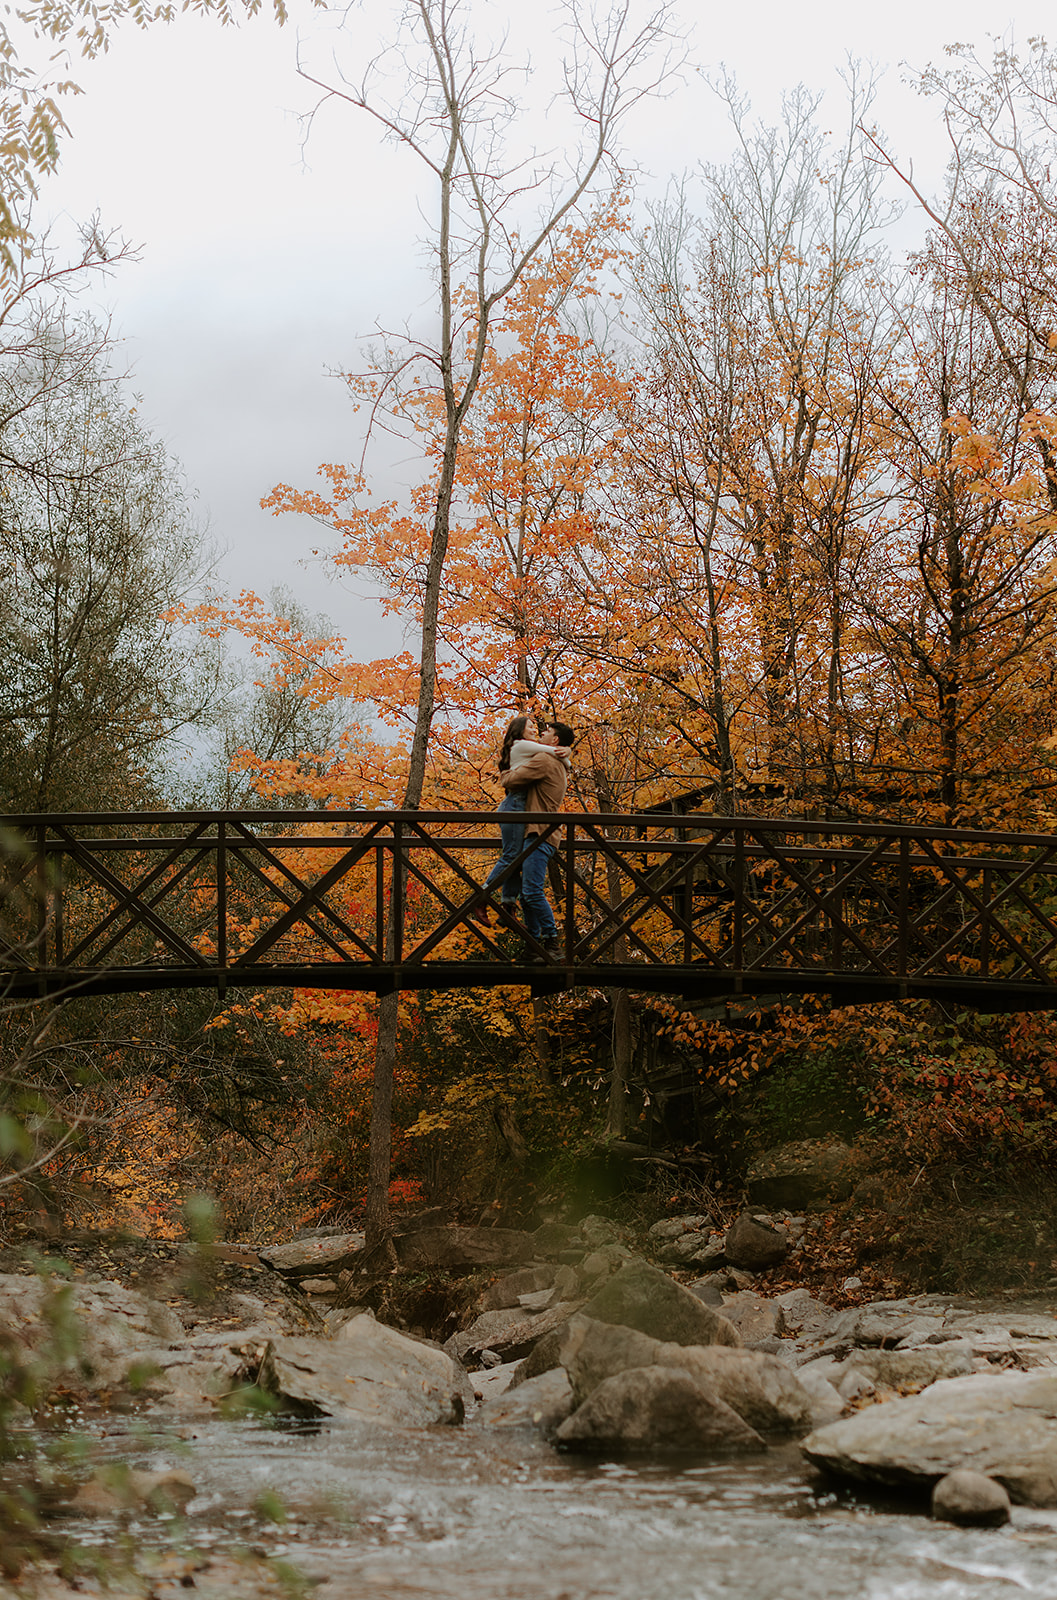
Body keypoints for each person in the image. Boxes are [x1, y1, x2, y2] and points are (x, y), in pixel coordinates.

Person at [474, 714, 572, 923]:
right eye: (530, 727)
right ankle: (481, 897)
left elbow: (551, 752)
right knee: (512, 857)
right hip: (515, 805)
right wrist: (567, 752)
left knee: (515, 858)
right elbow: (553, 752)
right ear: (519, 730)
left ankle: (508, 905)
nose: (535, 730)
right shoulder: (521, 745)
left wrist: (566, 750)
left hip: (520, 806)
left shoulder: (532, 748)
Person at [500, 719, 576, 960]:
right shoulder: (558, 761)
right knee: (528, 891)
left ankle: (551, 943)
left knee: (532, 891)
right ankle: (534, 945)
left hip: (540, 833)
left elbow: (510, 781)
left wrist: (505, 771)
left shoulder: (544, 760)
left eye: (547, 732)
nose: (541, 733)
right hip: (540, 832)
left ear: (554, 741)